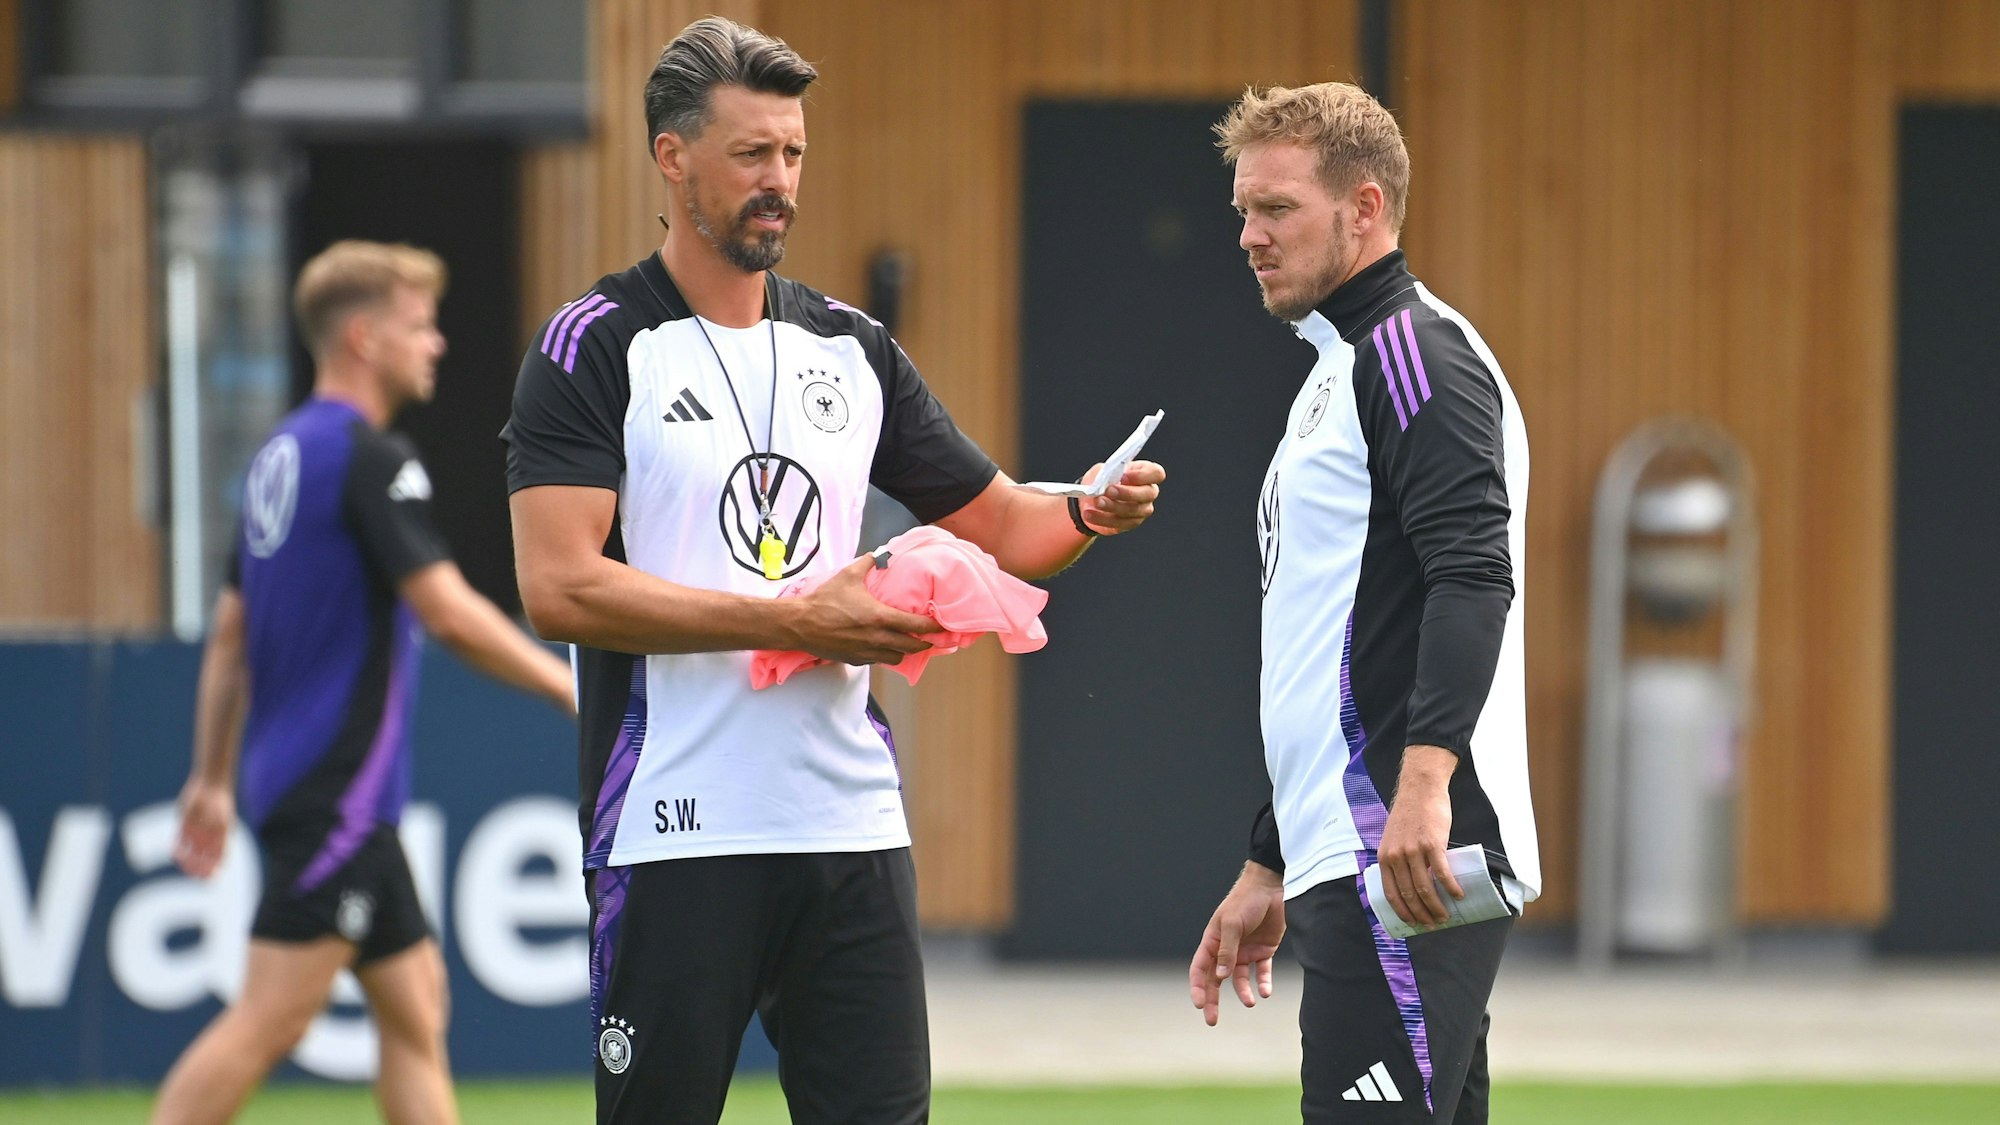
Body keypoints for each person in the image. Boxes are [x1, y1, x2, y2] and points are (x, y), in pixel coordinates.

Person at [502, 17, 1164, 1125]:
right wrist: (796, 620)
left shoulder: (851, 348)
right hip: (675, 830)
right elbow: (557, 588)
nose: (780, 181)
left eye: (793, 153)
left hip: (848, 827)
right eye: (751, 153)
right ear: (672, 157)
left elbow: (1007, 521)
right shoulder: (596, 345)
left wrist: (1088, 509)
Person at [153, 241, 575, 1125]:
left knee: (415, 1005)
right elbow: (447, 612)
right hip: (336, 793)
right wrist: (567, 685)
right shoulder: (368, 457)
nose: (436, 344)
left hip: (311, 785)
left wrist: (212, 776)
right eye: (418, 326)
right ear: (362, 337)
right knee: (272, 1016)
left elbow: (229, 633)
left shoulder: (276, 457)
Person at [1186, 83, 1539, 1124]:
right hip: (1352, 843)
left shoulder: (1410, 354)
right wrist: (1271, 853)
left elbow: (1471, 573)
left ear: (1365, 209)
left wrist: (1424, 785)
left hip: (1401, 846)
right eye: (1243, 211)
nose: (1249, 236)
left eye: (1277, 209)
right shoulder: (1336, 368)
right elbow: (1329, 639)